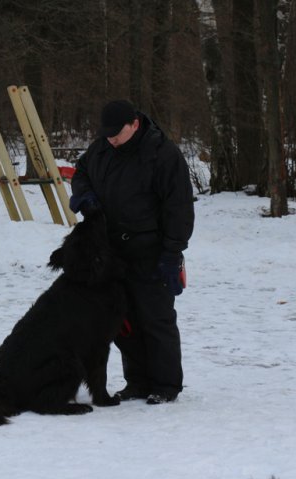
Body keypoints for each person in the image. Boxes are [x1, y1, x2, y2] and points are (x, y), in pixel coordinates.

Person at [69, 100, 195, 404]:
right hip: (113, 252)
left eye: (117, 133)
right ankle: (137, 381)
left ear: (135, 124)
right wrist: (84, 197)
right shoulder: (101, 149)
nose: (111, 139)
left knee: (156, 318)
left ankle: (166, 386)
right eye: (107, 134)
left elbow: (179, 207)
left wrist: (172, 252)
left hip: (152, 250)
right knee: (124, 321)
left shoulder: (163, 154)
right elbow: (81, 173)